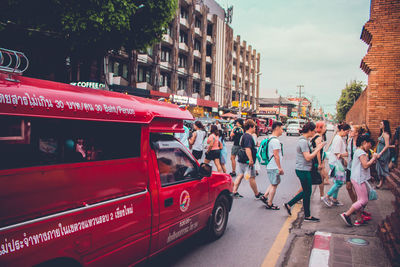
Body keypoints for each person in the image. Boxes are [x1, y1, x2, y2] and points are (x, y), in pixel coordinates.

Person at [284, 122, 325, 222]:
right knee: (307, 192)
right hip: (303, 170)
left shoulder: (305, 140)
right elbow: (308, 157)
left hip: (304, 169)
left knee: (307, 191)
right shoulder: (303, 142)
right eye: (314, 130)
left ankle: (290, 205)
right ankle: (307, 215)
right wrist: (318, 148)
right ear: (310, 130)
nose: (315, 132)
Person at [340, 135, 378, 226]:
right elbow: (365, 165)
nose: (370, 147)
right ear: (364, 142)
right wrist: (374, 158)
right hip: (359, 179)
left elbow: (362, 167)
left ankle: (359, 219)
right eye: (369, 144)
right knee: (363, 200)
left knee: (360, 199)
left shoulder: (358, 151)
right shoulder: (361, 152)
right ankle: (346, 214)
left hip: (357, 178)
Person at [232, 119, 263, 199]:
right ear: (251, 127)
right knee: (252, 177)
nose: (255, 129)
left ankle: (234, 191)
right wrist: (251, 159)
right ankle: (257, 193)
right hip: (247, 160)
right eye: (254, 127)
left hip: (242, 159)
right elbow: (248, 148)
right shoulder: (248, 136)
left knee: (241, 175)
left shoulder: (244, 135)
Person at [322, 123, 351, 207]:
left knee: (337, 181)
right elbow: (337, 153)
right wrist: (346, 154)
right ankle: (327, 196)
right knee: (339, 182)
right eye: (347, 131)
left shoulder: (339, 138)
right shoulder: (338, 139)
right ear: (342, 130)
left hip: (335, 162)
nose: (347, 133)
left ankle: (334, 199)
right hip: (336, 163)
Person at [260, 121, 284, 210]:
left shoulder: (270, 139)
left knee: (274, 182)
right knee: (274, 184)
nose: (282, 131)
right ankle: (269, 204)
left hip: (270, 165)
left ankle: (265, 196)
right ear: (277, 128)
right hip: (274, 166)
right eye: (281, 128)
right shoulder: (275, 141)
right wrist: (280, 168)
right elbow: (276, 155)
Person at [345, 125, 364, 204]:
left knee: (357, 189)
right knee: (348, 187)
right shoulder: (350, 140)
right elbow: (348, 153)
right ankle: (355, 203)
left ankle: (358, 207)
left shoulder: (361, 143)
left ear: (356, 133)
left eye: (352, 131)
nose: (350, 132)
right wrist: (340, 155)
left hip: (357, 168)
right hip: (350, 167)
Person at [311, 121, 327, 200]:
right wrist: (320, 163)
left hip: (316, 160)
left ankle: (322, 195)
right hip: (316, 161)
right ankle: (322, 195)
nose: (325, 129)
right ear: (320, 128)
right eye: (324, 127)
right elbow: (318, 152)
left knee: (321, 178)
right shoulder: (318, 137)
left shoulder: (317, 136)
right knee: (316, 179)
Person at [375, 120, 394, 189]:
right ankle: (381, 182)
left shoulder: (386, 134)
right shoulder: (382, 133)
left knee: (383, 168)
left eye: (381, 124)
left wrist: (380, 153)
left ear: (385, 125)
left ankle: (390, 184)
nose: (379, 125)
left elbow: (387, 145)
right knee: (379, 168)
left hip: (384, 153)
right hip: (379, 152)